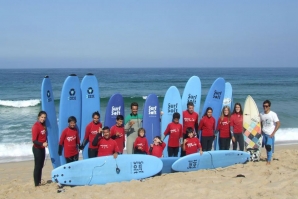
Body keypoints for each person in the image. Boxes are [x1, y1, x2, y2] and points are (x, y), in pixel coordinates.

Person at [260, 100, 280, 165]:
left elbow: (278, 123)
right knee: (266, 146)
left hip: (270, 134)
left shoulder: (273, 114)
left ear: (269, 107)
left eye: (266, 106)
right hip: (264, 134)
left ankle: (269, 160)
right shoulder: (261, 114)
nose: (265, 107)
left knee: (268, 146)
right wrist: (260, 131)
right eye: (264, 106)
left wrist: (273, 133)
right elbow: (260, 123)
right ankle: (269, 157)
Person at [31, 111, 48, 187]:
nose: (43, 119)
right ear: (38, 117)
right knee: (37, 166)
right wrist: (42, 144)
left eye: (44, 117)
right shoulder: (36, 126)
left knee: (41, 165)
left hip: (42, 148)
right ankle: (36, 184)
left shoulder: (43, 125)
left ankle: (39, 181)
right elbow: (34, 140)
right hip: (37, 149)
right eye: (42, 117)